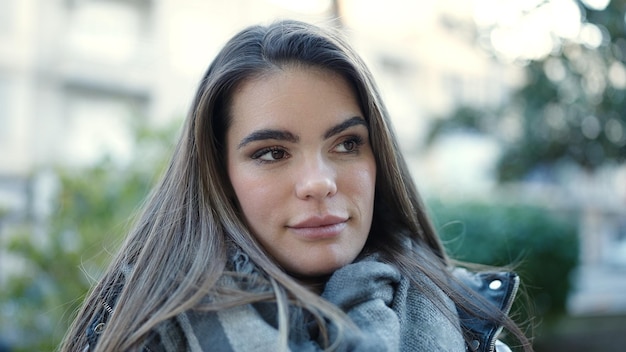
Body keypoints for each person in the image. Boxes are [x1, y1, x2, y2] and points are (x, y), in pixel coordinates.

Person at [61, 20, 532, 352]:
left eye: (347, 144)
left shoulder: (463, 321)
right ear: (219, 176)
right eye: (271, 153)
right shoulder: (144, 335)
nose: (319, 183)